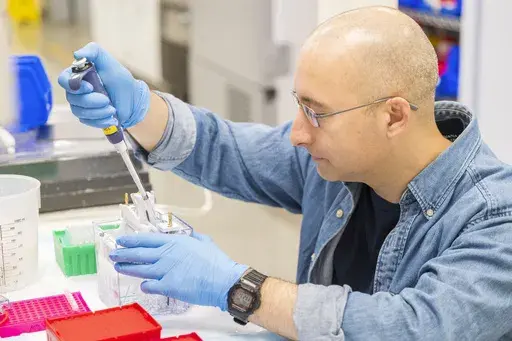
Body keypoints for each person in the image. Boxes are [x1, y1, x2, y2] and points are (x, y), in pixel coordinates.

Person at [58, 6, 512, 341]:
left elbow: (410, 329)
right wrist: (139, 107)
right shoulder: (341, 163)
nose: (297, 134)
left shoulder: (495, 219)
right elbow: (228, 150)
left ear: (394, 116)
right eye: (299, 104)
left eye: (316, 112)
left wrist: (240, 288)